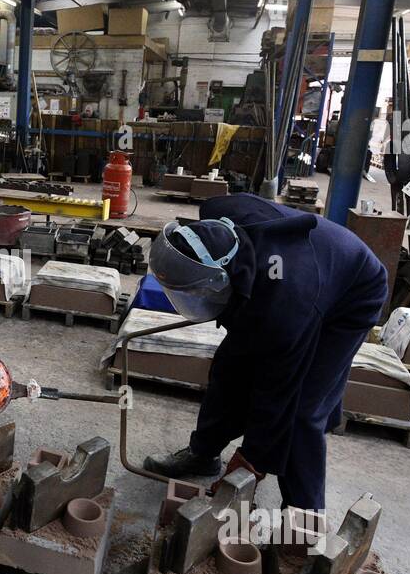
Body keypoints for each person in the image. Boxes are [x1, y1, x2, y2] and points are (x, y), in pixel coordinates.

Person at [143, 193, 387, 513]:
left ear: (223, 277)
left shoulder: (285, 310)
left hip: (353, 292)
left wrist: (248, 466)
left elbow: (275, 394)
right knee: (229, 367)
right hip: (302, 273)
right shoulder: (218, 212)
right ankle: (203, 454)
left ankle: (303, 519)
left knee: (302, 407)